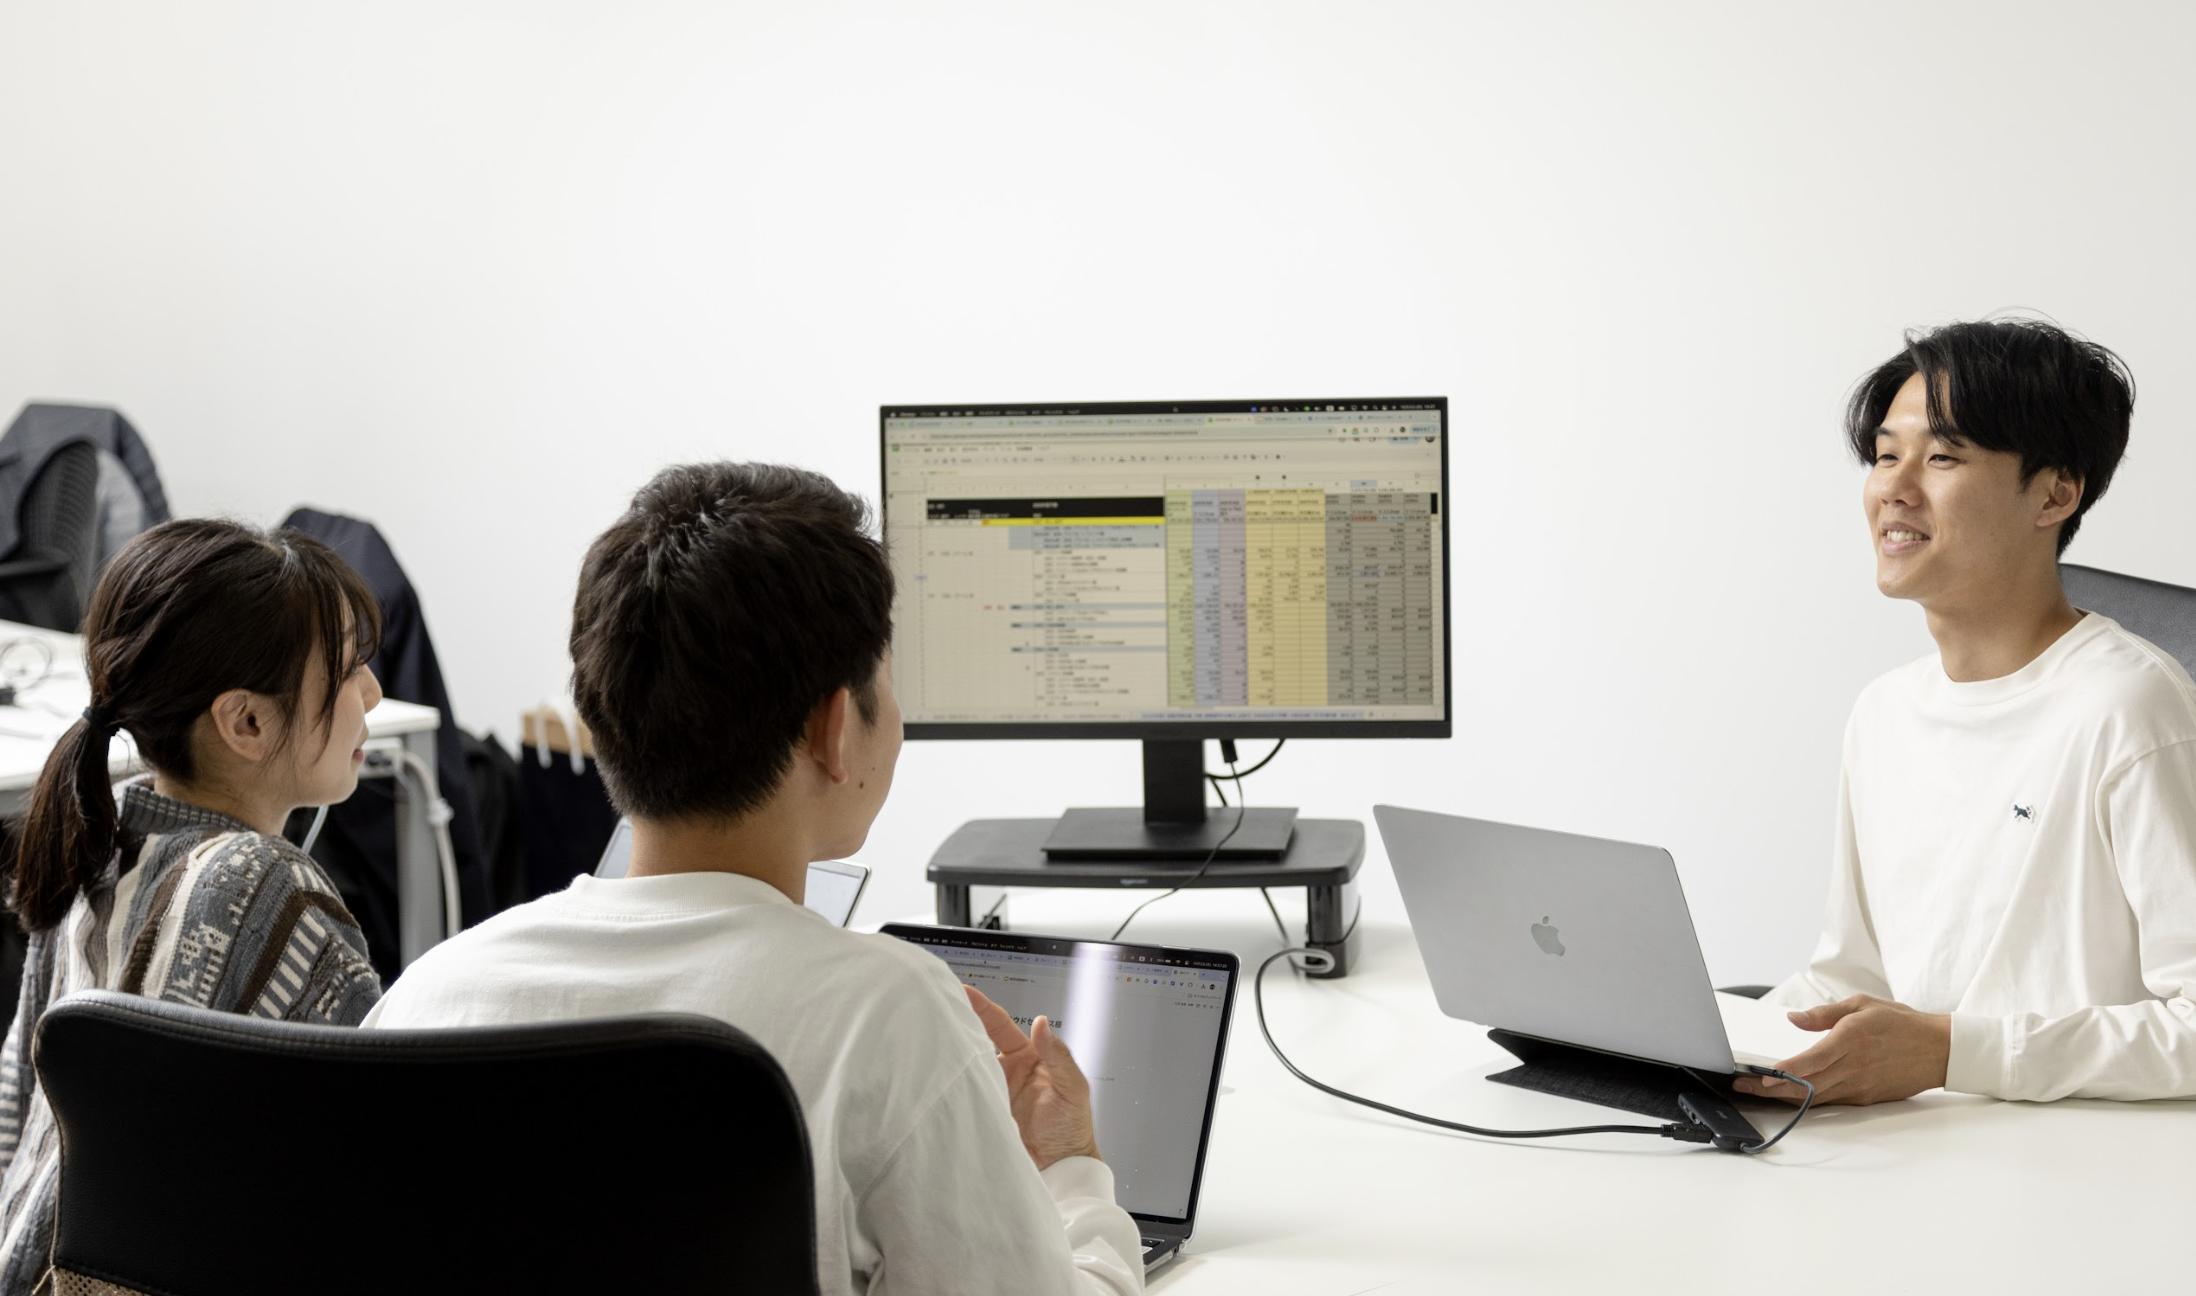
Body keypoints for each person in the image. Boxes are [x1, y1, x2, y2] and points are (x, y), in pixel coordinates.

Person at [365, 463, 1143, 1295]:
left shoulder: (428, 1001)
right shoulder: (887, 1017)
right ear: (833, 728)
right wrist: (1072, 1174)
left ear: (599, 716)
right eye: (887, 678)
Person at [1737, 318, 2196, 1107]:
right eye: (1886, 455)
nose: (1894, 487)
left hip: (2078, 1165)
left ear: (2055, 493)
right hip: (1914, 1148)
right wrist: (1712, 1050)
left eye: (1942, 457)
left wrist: (1954, 1053)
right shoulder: (1885, 712)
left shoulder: (2132, 711)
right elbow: (1852, 975)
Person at [0, 518, 386, 1293]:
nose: (373, 692)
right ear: (246, 721)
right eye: (348, 671)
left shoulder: (99, 839)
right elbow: (362, 1175)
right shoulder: (274, 890)